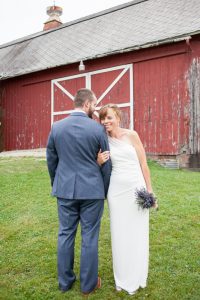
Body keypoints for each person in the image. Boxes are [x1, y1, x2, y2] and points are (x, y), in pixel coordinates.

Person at [46, 88, 112, 295]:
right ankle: (88, 284)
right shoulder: (97, 129)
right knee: (90, 237)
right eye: (94, 104)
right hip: (92, 191)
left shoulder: (56, 127)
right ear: (86, 104)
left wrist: (56, 183)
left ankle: (65, 283)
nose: (96, 107)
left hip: (65, 190)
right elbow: (107, 163)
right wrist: (104, 190)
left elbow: (51, 160)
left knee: (65, 234)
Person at [98, 103, 156, 295]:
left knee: (137, 231)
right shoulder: (103, 140)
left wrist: (150, 191)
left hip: (135, 188)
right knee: (120, 233)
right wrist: (98, 162)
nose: (106, 121)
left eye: (109, 117)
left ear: (118, 118)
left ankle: (137, 273)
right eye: (103, 118)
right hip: (116, 191)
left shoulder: (132, 135)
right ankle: (122, 276)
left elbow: (144, 164)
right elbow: (97, 166)